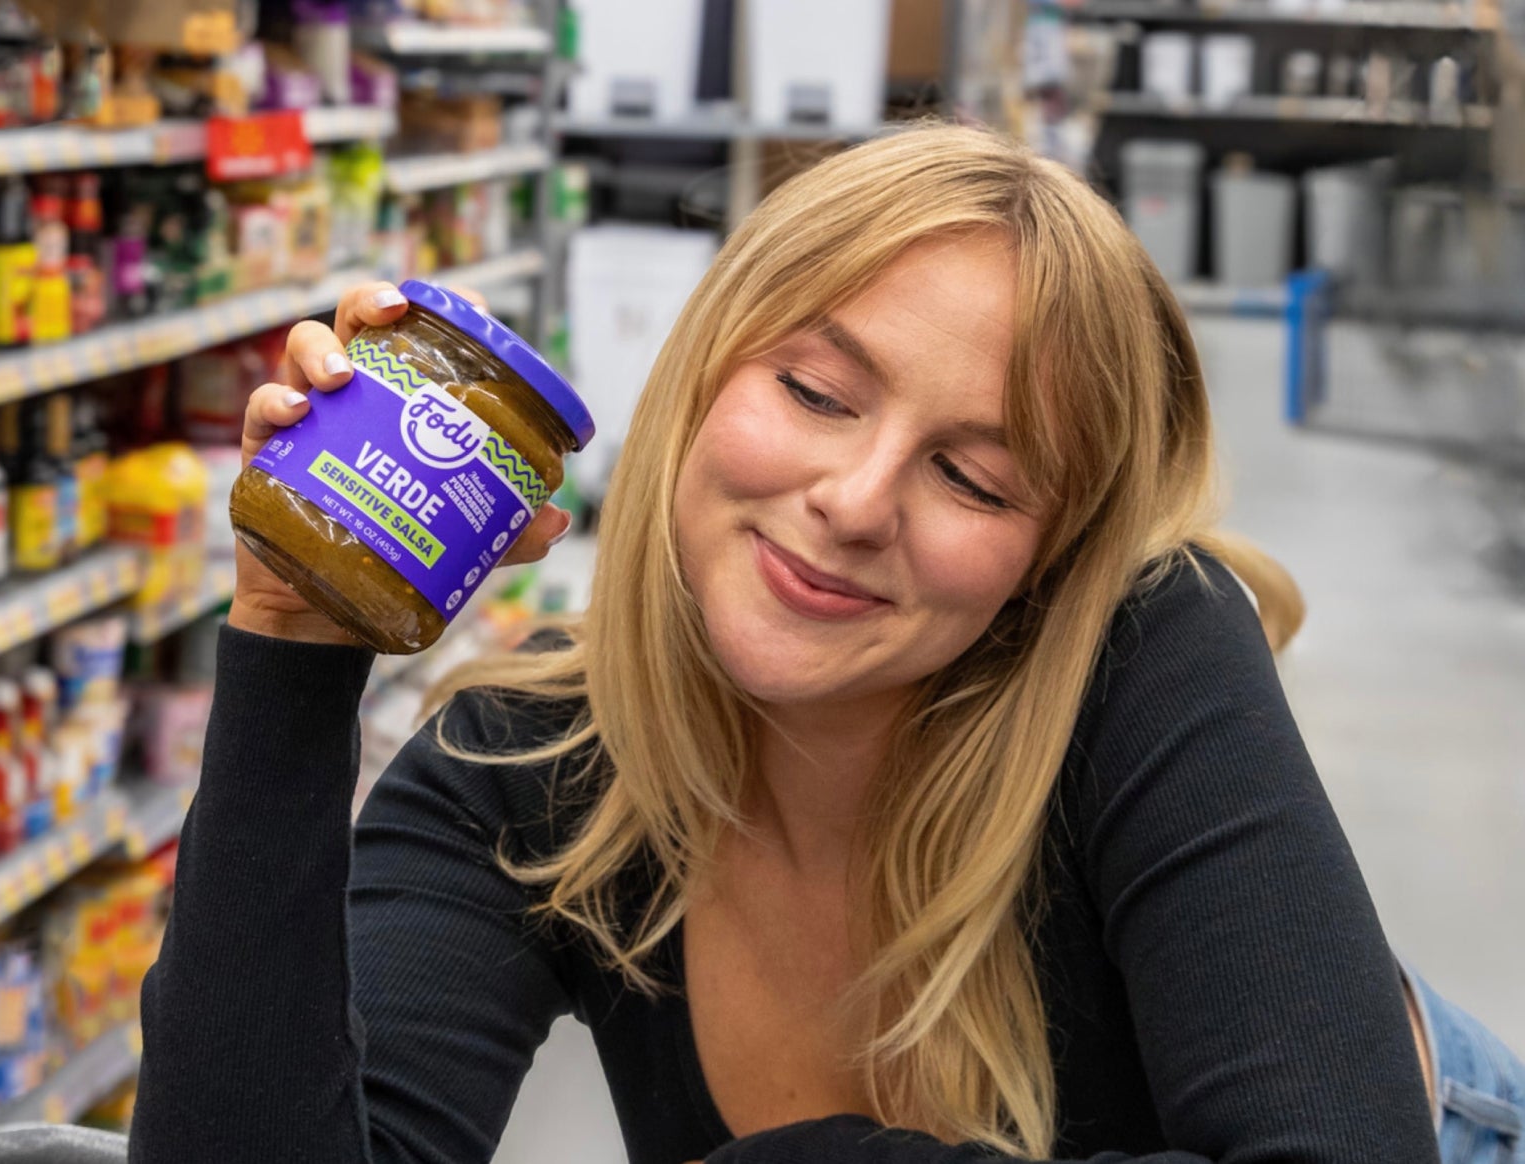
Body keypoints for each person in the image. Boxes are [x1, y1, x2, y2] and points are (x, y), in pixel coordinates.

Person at [129, 126, 1525, 1163]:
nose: (855, 505)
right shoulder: (532, 761)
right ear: (700, 369)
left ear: (1053, 554)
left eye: (977, 479)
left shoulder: (1141, 649)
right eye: (814, 389)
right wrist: (295, 645)